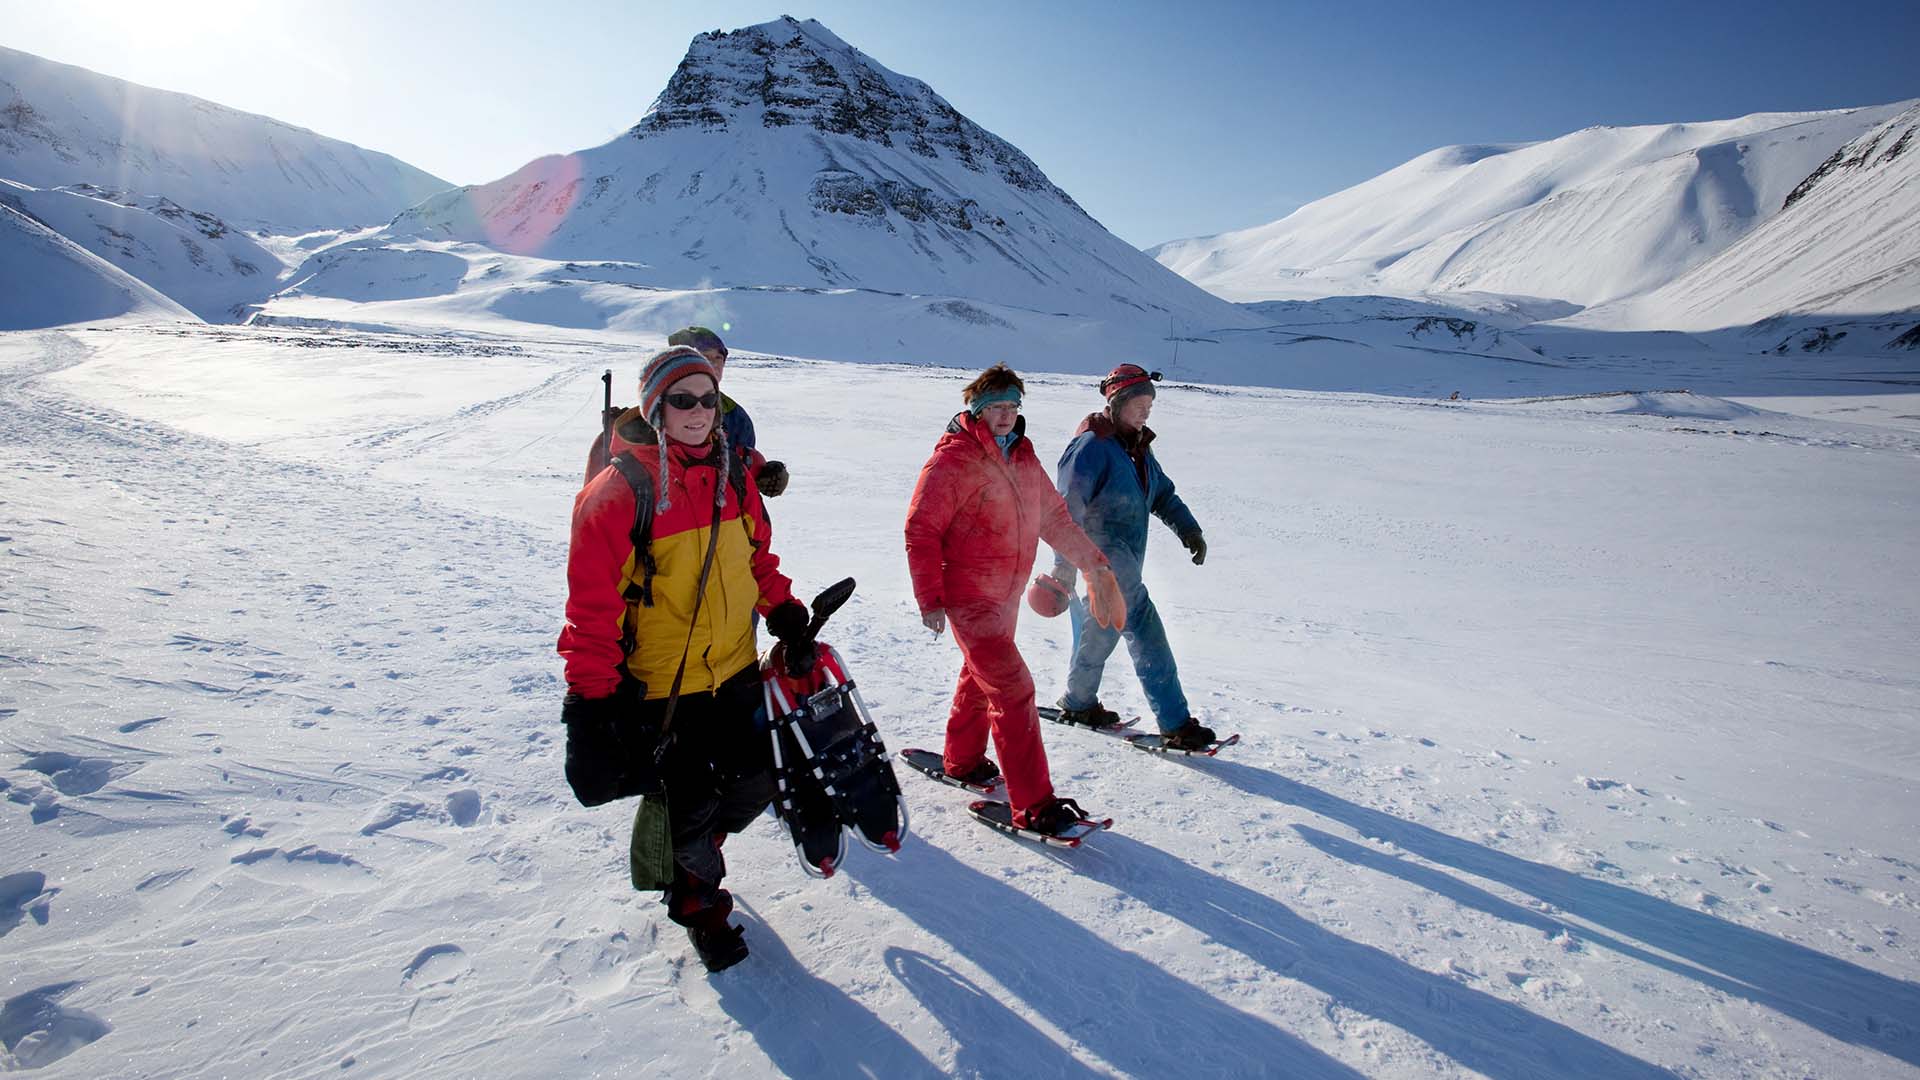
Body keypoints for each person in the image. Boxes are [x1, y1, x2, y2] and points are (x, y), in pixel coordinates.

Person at [558, 345, 817, 973]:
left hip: (734, 668)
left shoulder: (734, 478)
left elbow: (756, 559)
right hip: (662, 689)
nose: (699, 411)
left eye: (708, 399)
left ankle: (693, 850)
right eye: (682, 399)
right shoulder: (618, 494)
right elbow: (592, 613)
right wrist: (592, 703)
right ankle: (699, 905)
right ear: (655, 410)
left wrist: (783, 610)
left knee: (757, 781)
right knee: (692, 801)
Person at [904, 364, 1127, 835]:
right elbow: (921, 529)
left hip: (1005, 593)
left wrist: (1095, 563)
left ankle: (962, 761)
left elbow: (1056, 518)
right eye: (996, 407)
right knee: (1013, 689)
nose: (1005, 416)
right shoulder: (953, 460)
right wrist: (930, 598)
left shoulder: (1023, 456)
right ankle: (1034, 805)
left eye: (1012, 406)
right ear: (977, 410)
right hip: (968, 596)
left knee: (979, 675)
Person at [1038, 363, 1216, 751]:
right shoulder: (1091, 447)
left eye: (1149, 405)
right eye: (1138, 403)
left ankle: (1082, 702)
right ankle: (1171, 720)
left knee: (1107, 634)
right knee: (1132, 631)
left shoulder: (1136, 448)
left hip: (1125, 565)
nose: (1145, 411)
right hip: (1100, 563)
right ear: (1116, 403)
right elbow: (1065, 509)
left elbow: (1163, 494)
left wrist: (1189, 529)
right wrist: (1065, 565)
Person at [584, 326, 789, 499]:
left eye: (719, 357)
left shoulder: (736, 416)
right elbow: (601, 498)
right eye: (704, 356)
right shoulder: (638, 425)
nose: (714, 365)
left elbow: (739, 474)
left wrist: (763, 474)